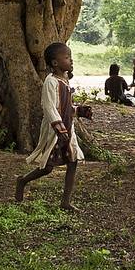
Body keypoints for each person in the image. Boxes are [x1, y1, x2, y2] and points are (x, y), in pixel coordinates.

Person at [15, 41, 89, 211]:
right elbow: (49, 107)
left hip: (67, 128)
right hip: (55, 129)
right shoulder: (51, 81)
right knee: (47, 167)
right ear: (55, 63)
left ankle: (65, 202)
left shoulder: (65, 81)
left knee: (73, 161)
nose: (71, 60)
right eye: (67, 57)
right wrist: (59, 127)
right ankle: (23, 181)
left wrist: (79, 111)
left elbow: (65, 107)